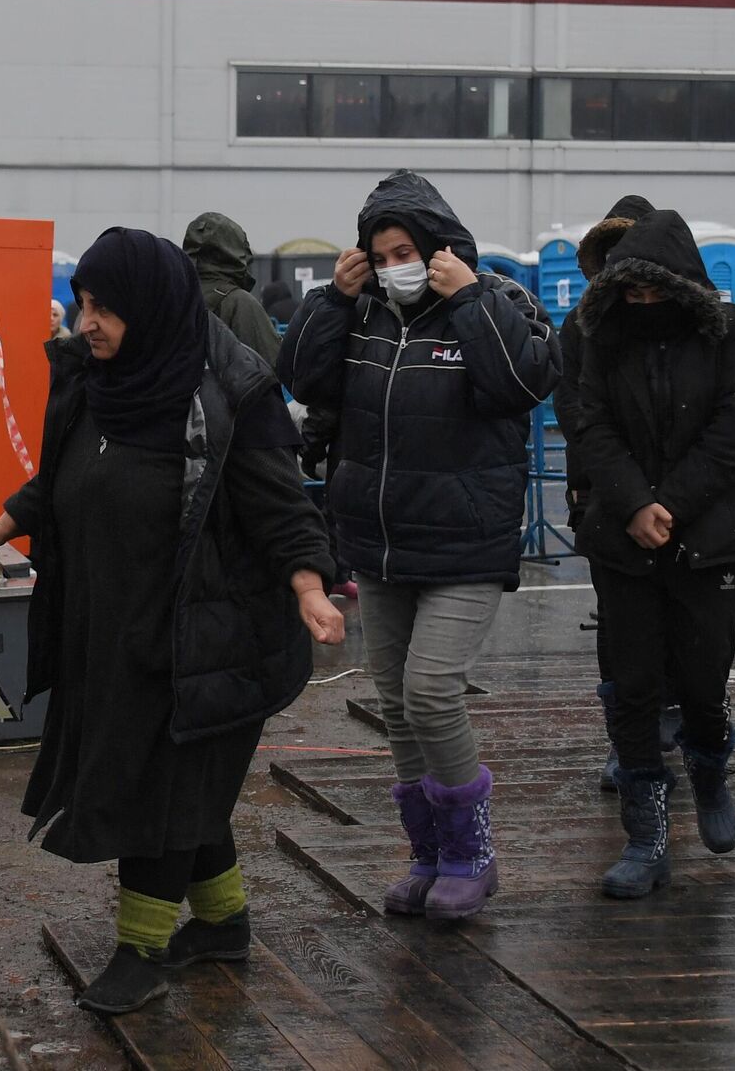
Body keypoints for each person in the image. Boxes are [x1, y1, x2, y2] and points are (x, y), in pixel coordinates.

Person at [0, 227, 344, 1015]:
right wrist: (5, 523)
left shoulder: (230, 395)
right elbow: (65, 471)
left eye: (104, 308)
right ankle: (225, 924)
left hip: (201, 633)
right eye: (83, 303)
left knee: (154, 791)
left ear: (152, 308)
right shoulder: (99, 381)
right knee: (181, 787)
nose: (86, 321)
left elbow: (279, 507)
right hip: (110, 627)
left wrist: (310, 588)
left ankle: (141, 951)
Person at [279, 170, 559, 921]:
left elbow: (521, 387)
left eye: (407, 249)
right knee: (398, 703)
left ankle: (473, 852)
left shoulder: (498, 301)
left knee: (433, 690)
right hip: (381, 538)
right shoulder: (363, 312)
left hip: (467, 538)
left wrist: (468, 296)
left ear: (439, 248)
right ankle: (428, 853)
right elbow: (301, 377)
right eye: (381, 251)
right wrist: (332, 300)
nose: (394, 262)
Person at [573, 209, 735, 898]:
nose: (643, 304)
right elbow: (590, 425)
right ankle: (647, 835)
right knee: (633, 688)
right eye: (631, 292)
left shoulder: (732, 331)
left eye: (655, 291)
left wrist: (671, 505)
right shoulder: (602, 336)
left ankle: (711, 768)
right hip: (623, 537)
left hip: (707, 534)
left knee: (701, 679)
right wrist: (633, 504)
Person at [554, 195, 683, 792]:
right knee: (619, 622)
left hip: (680, 495)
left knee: (683, 618)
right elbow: (576, 410)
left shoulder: (689, 319)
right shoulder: (583, 324)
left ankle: (675, 726)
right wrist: (590, 487)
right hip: (607, 493)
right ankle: (629, 741)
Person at [183, 211, 281, 360]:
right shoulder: (239, 303)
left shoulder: (176, 298)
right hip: (227, 383)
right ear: (236, 251)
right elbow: (273, 360)